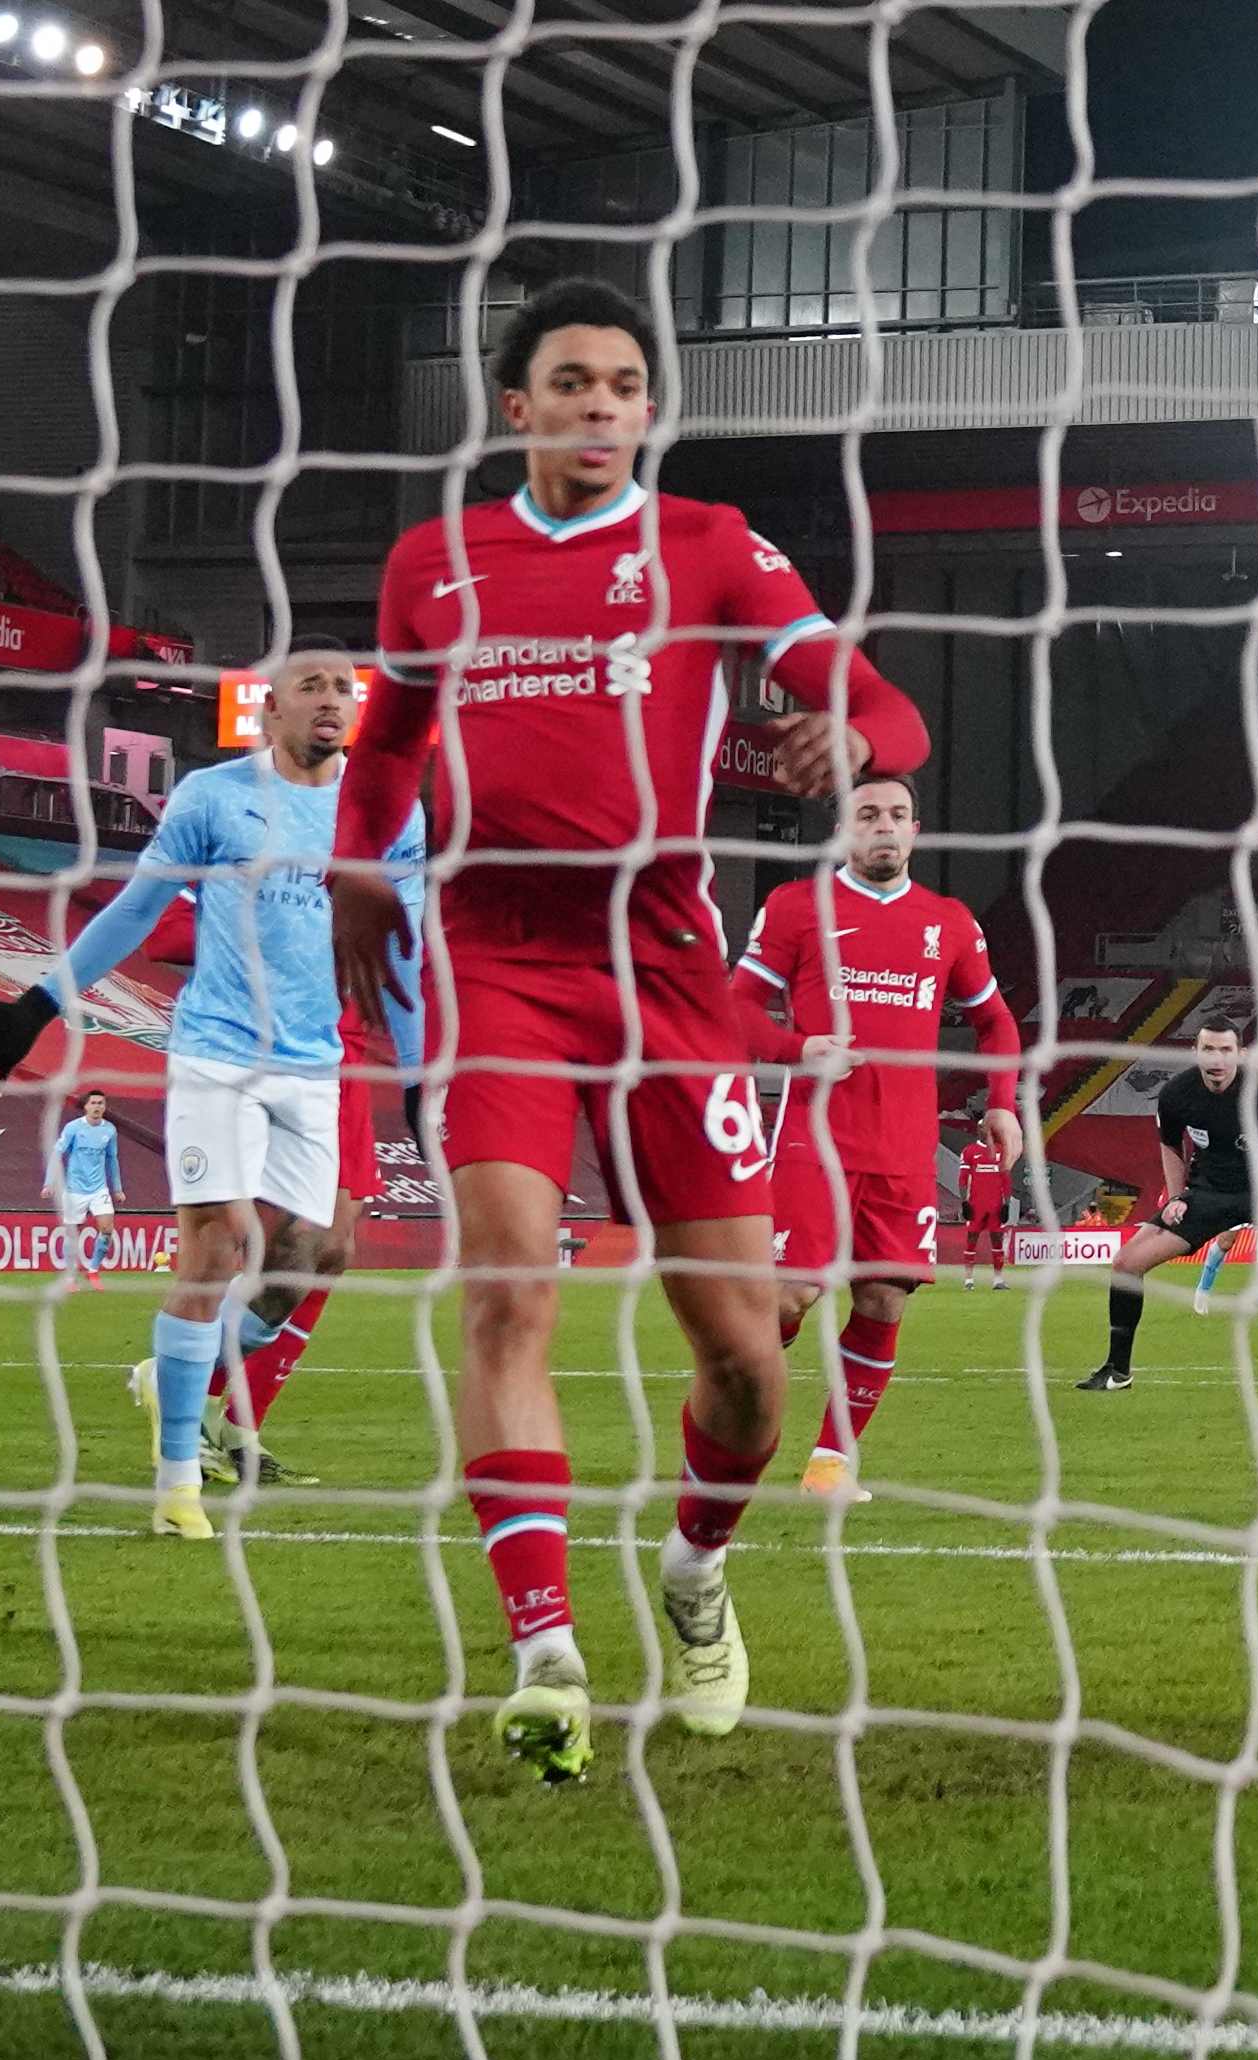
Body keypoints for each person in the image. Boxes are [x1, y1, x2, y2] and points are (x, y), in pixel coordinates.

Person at [329, 275, 926, 1789]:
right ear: (515, 405)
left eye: (624, 385)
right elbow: (389, 744)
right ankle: (544, 1652)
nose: (601, 406)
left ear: (650, 410)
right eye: (572, 382)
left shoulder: (707, 548)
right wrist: (355, 874)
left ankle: (695, 1573)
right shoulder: (435, 564)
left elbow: (885, 712)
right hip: (492, 965)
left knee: (744, 1355)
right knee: (507, 1296)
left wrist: (850, 737)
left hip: (662, 971)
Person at [0, 644, 429, 1534]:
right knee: (215, 1248)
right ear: (271, 711)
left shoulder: (385, 812)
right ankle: (178, 1480)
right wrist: (41, 1002)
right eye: (312, 687)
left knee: (302, 1265)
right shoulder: (213, 798)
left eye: (344, 688)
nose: (332, 701)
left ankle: (170, 1371)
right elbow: (140, 908)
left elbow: (401, 948)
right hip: (216, 1052)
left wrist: (416, 1083)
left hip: (312, 1065)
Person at [737, 772, 1023, 1503]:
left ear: (916, 831)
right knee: (787, 1299)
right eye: (868, 815)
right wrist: (797, 1049)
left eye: (898, 815)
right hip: (814, 1142)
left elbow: (994, 1019)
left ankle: (830, 1467)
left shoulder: (949, 922)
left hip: (903, 1149)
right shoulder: (797, 909)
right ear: (845, 830)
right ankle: (731, 1420)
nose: (884, 827)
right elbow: (731, 1010)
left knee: (885, 1301)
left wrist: (1002, 1102)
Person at [1073, 1021, 1258, 1393]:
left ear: (1239, 1055)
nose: (1217, 1058)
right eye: (1209, 1049)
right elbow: (1170, 1145)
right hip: (1207, 1194)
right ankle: (1117, 1371)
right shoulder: (1177, 1094)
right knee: (1127, 1262)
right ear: (1197, 1052)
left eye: (1225, 1050)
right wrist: (1176, 1198)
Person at [45, 1088, 124, 1285]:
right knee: (73, 1231)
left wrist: (117, 1188)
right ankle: (70, 1275)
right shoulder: (73, 1128)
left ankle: (93, 1270)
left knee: (106, 1228)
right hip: (74, 1189)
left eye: (101, 1103)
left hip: (99, 1189)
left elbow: (112, 1159)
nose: (97, 1107)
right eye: (93, 1103)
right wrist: (49, 1182)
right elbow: (56, 1154)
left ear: (105, 1107)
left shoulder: (109, 1130)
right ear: (86, 1106)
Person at [953, 1113, 1015, 1288]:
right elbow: (963, 1179)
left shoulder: (1001, 1151)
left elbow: (1006, 1180)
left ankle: (998, 1279)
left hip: (996, 1205)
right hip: (976, 1204)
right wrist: (964, 1202)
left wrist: (1007, 1204)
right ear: (978, 1130)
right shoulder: (969, 1151)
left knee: (997, 1240)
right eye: (983, 1128)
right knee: (971, 1240)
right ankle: (968, 1280)